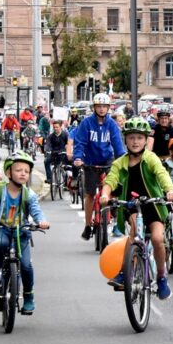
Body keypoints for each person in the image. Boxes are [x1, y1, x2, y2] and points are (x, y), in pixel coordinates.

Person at [100, 117, 173, 298]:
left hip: (154, 205)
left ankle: (161, 276)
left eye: (140, 138)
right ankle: (124, 270)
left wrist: (170, 190)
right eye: (131, 138)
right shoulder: (120, 161)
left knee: (158, 239)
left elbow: (162, 174)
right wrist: (105, 194)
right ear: (125, 140)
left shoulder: (151, 158)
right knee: (135, 231)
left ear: (145, 140)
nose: (135, 142)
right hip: (132, 205)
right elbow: (110, 180)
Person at [0, 152, 50, 315]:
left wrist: (42, 221)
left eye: (26, 171)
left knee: (26, 266)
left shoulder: (29, 194)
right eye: (18, 170)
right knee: (1, 243)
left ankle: (28, 296)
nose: (23, 174)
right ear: (8, 173)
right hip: (2, 228)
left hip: (22, 233)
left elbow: (36, 211)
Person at [72, 94, 127, 241]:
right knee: (90, 194)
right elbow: (80, 142)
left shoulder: (112, 125)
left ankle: (113, 213)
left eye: (104, 107)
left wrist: (123, 159)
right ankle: (88, 225)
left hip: (108, 161)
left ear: (108, 108)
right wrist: (78, 158)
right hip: (90, 161)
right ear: (94, 108)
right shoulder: (87, 123)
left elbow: (118, 145)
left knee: (113, 190)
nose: (102, 109)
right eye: (99, 106)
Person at [43, 119, 69, 186]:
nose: (55, 129)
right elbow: (47, 144)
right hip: (54, 153)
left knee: (65, 166)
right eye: (54, 127)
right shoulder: (51, 136)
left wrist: (68, 149)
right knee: (46, 161)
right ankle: (49, 178)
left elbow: (69, 143)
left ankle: (66, 182)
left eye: (57, 127)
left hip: (62, 153)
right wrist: (47, 150)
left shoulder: (65, 134)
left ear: (60, 127)